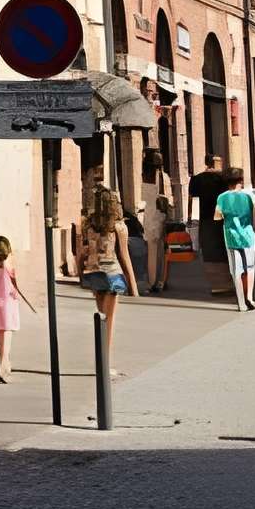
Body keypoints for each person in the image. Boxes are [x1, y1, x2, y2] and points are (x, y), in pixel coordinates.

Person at [78, 185, 138, 357]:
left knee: (101, 318)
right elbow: (124, 256)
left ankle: (100, 360)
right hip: (113, 273)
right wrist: (133, 287)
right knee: (109, 321)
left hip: (94, 273)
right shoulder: (119, 227)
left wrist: (82, 276)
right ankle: (105, 363)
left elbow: (82, 254)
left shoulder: (88, 225)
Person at [215, 164, 255, 311]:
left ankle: (241, 303)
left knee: (236, 269)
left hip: (231, 236)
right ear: (241, 180)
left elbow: (217, 217)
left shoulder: (222, 197)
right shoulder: (249, 195)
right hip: (248, 235)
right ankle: (250, 297)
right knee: (250, 267)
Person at [0, 234, 27, 382]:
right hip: (7, 300)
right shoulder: (9, 265)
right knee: (7, 332)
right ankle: (4, 364)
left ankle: (4, 361)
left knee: (1, 332)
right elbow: (17, 281)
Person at [190, 155, 234, 294]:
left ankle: (216, 284)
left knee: (209, 251)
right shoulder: (223, 179)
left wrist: (190, 217)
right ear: (216, 163)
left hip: (205, 219)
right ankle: (227, 283)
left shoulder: (196, 179)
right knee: (224, 250)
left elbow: (192, 200)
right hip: (221, 218)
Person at [142, 149, 177, 292]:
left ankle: (151, 281)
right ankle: (159, 281)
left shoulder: (141, 176)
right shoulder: (163, 177)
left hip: (145, 217)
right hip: (158, 217)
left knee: (149, 251)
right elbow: (168, 201)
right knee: (159, 252)